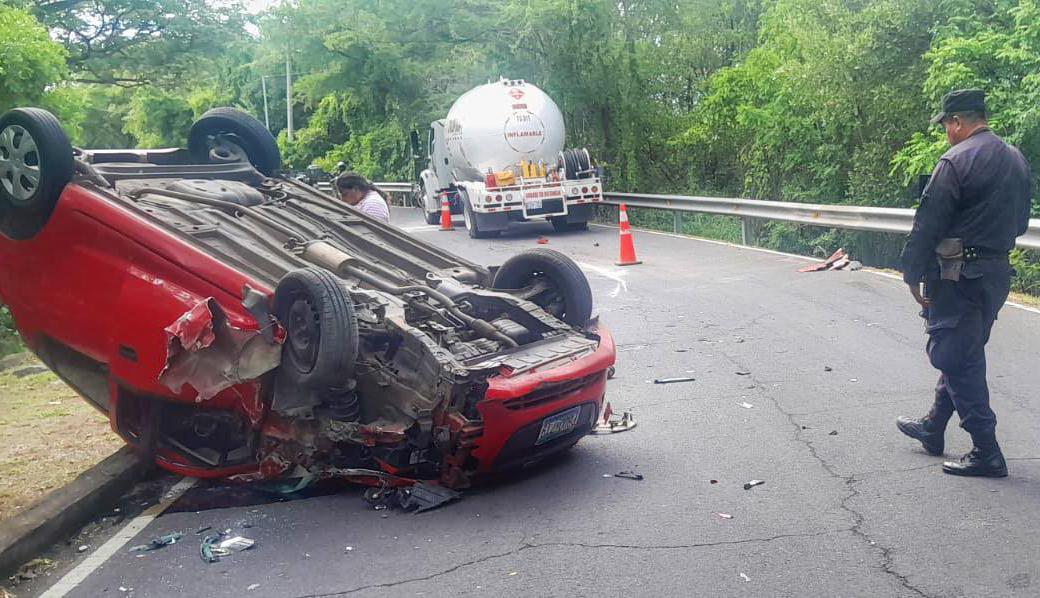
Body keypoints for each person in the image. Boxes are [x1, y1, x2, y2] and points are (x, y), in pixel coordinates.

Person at [896, 89, 1032, 477]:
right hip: (996, 276)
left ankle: (986, 451)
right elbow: (1021, 223)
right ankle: (933, 427)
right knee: (964, 350)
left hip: (958, 278)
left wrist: (911, 273)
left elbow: (928, 225)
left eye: (945, 126)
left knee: (954, 356)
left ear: (957, 122)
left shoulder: (954, 161)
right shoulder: (1015, 158)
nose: (945, 134)